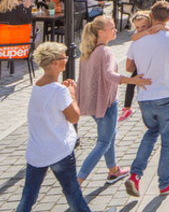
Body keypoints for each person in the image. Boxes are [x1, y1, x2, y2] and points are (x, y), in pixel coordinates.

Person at [125, 1, 169, 198]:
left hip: (144, 97)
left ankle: (135, 174)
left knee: (151, 132)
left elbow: (129, 68)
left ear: (151, 17)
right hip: (165, 95)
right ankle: (165, 182)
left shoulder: (137, 41)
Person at [15, 42, 91, 212]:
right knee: (73, 194)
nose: (67, 59)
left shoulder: (38, 85)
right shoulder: (59, 91)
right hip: (58, 150)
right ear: (54, 63)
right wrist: (72, 93)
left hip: (37, 151)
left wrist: (65, 92)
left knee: (28, 197)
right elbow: (74, 117)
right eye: (64, 57)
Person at [76, 16, 151, 185]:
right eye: (112, 28)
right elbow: (109, 75)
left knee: (110, 135)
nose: (115, 30)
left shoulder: (89, 50)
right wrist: (133, 80)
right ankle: (77, 181)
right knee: (103, 142)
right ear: (101, 32)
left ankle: (113, 171)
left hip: (93, 103)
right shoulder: (105, 51)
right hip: (106, 103)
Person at [119, 12, 169, 122]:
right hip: (143, 67)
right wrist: (146, 32)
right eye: (137, 27)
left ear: (150, 23)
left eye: (144, 26)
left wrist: (161, 27)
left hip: (151, 72)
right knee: (132, 81)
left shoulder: (156, 29)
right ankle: (127, 107)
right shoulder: (141, 34)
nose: (140, 29)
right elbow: (133, 37)